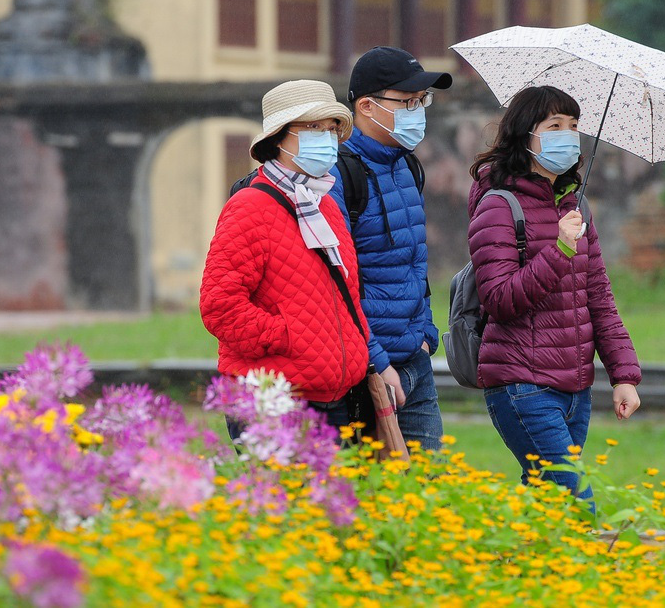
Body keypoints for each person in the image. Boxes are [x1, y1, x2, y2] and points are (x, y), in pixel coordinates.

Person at [467, 85, 642, 498]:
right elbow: (500, 299)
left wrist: (624, 375)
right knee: (574, 497)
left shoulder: (575, 207)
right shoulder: (498, 204)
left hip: (576, 385)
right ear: (526, 135)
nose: (568, 134)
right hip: (522, 382)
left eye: (574, 125)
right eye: (555, 125)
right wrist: (560, 250)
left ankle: (513, 561)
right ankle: (587, 564)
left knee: (546, 502)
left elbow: (597, 296)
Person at [200, 79, 368, 437]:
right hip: (271, 398)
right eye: (311, 128)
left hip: (335, 396)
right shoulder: (249, 207)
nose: (324, 138)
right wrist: (289, 337)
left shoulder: (325, 203)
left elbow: (346, 293)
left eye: (330, 128)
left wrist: (355, 348)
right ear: (278, 138)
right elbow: (220, 305)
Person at [328, 46, 452, 452]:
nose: (419, 111)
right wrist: (375, 359)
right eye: (408, 102)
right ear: (366, 106)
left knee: (426, 492)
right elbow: (338, 281)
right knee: (372, 497)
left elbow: (415, 262)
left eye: (422, 101)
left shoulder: (406, 164)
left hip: (414, 356)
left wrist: (426, 333)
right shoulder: (338, 173)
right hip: (366, 367)